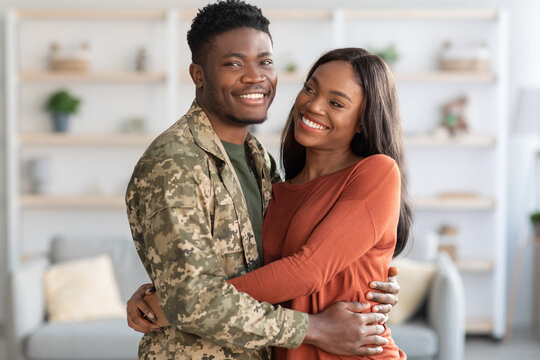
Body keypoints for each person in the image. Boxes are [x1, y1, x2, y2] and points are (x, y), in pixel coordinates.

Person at [125, 1, 400, 359]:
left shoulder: (259, 161)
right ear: (198, 74)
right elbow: (193, 295)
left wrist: (377, 279)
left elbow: (302, 265)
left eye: (265, 61)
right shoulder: (175, 162)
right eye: (234, 63)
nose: (255, 76)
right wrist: (172, 301)